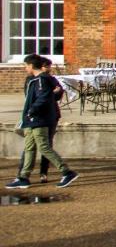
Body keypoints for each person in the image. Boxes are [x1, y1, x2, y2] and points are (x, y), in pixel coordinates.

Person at [6, 54, 78, 189]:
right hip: (31, 119)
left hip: (39, 119)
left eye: (26, 66)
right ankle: (23, 177)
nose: (25, 68)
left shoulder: (41, 80)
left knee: (44, 147)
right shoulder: (35, 79)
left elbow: (43, 98)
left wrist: (32, 111)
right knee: (29, 148)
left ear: (31, 65)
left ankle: (67, 172)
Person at [35, 57, 63, 183]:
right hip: (38, 116)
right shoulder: (34, 80)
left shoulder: (51, 79)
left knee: (47, 145)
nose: (48, 69)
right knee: (31, 146)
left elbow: (59, 92)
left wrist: (52, 94)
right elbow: (38, 97)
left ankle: (43, 172)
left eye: (49, 66)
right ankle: (23, 174)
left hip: (51, 115)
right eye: (46, 66)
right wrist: (51, 94)